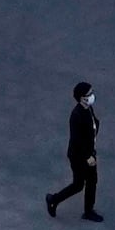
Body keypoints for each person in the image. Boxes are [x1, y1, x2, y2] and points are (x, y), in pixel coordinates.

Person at [41, 81, 100, 221]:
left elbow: (93, 124)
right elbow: (76, 140)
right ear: (81, 98)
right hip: (79, 157)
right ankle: (53, 199)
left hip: (90, 153)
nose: (92, 96)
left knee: (92, 180)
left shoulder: (88, 109)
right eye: (89, 94)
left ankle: (88, 211)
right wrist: (87, 157)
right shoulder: (76, 115)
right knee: (79, 184)